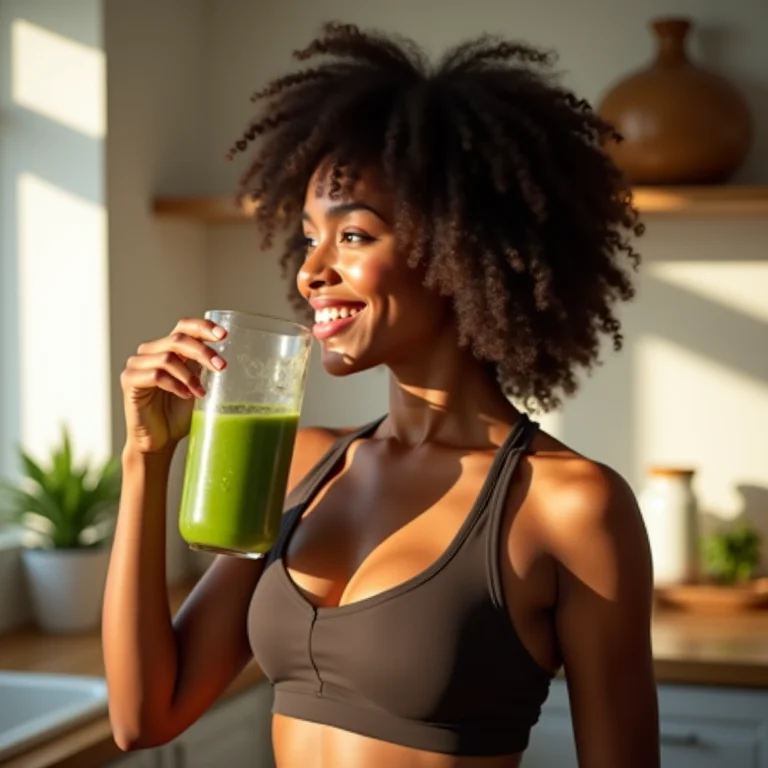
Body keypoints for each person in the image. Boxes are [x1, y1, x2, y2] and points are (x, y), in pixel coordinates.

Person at [104, 21, 659, 768]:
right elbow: (145, 716)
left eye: (354, 236)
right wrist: (146, 459)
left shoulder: (569, 507)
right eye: (308, 237)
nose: (311, 271)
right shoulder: (301, 465)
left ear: (463, 250)